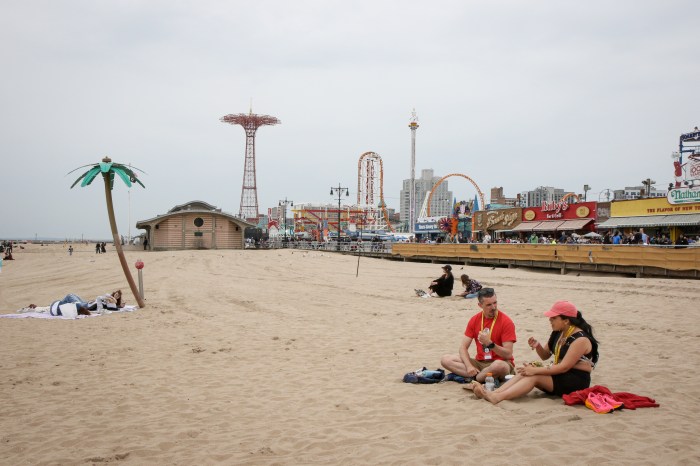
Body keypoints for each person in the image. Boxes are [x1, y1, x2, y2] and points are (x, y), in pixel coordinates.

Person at [471, 300, 599, 404]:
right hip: (559, 374)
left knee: (534, 375)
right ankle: (495, 393)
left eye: (553, 318)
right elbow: (545, 356)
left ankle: (498, 397)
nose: (550, 320)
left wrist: (535, 371)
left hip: (574, 381)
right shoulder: (558, 333)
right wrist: (537, 346)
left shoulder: (580, 339)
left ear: (566, 320)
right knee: (528, 370)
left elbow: (564, 367)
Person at [441, 287, 516, 384]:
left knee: (499, 366)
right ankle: (482, 376)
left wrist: (490, 343)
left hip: (501, 362)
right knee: (446, 359)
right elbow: (463, 348)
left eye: (495, 303)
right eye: (489, 304)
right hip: (480, 363)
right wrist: (469, 366)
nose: (493, 307)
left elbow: (508, 354)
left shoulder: (506, 322)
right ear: (480, 305)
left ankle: (476, 378)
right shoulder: (475, 320)